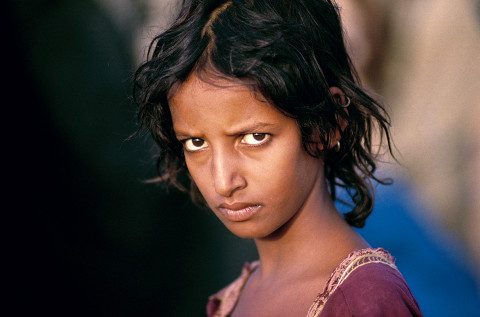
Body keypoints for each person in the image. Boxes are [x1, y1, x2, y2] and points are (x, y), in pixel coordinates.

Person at [133, 0, 423, 316]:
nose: (223, 181)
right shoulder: (235, 296)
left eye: (255, 137)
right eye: (195, 143)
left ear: (325, 125)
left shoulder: (365, 299)